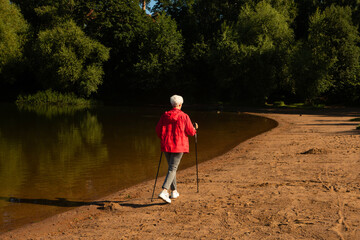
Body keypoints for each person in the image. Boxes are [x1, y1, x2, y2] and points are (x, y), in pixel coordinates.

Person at [156, 95, 198, 203]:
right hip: (178, 146)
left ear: (172, 104)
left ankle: (174, 192)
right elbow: (190, 132)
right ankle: (164, 191)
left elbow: (158, 130)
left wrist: (164, 137)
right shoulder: (184, 116)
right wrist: (195, 129)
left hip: (166, 145)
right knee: (172, 168)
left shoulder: (165, 115)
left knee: (171, 168)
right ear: (180, 104)